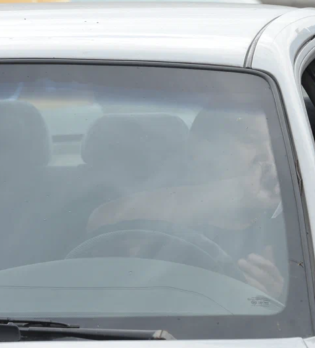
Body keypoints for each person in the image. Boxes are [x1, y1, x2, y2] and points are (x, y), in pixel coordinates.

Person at [87, 104, 287, 299]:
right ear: (199, 147)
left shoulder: (296, 216)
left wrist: (275, 297)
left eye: (277, 144)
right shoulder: (152, 213)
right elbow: (104, 221)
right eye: (250, 140)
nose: (268, 157)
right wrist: (236, 192)